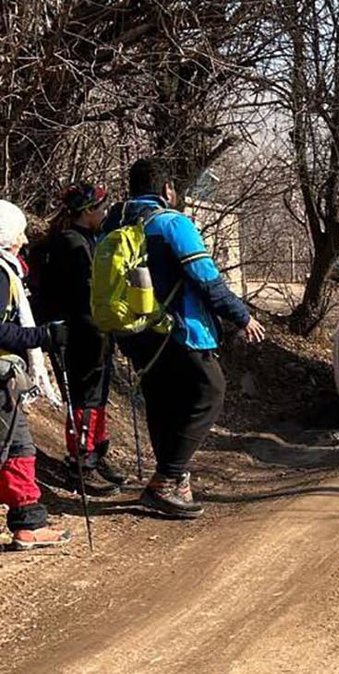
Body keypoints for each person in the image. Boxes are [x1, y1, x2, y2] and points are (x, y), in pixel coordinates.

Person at [106, 158, 266, 519]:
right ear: (167, 191)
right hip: (179, 329)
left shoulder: (112, 224)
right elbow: (206, 279)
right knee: (210, 390)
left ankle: (174, 483)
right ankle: (167, 478)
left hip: (133, 330)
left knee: (162, 400)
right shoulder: (172, 223)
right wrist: (242, 317)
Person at [42, 183, 124, 497]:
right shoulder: (71, 245)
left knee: (96, 396)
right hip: (79, 334)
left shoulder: (85, 239)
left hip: (93, 331)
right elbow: (82, 294)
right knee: (84, 399)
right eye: (101, 208)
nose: (104, 213)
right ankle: (81, 464)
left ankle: (96, 454)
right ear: (87, 211)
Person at [0, 199, 72, 550]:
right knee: (16, 449)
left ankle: (28, 523)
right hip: (1, 380)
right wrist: (41, 337)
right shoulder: (0, 274)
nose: (25, 239)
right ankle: (29, 523)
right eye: (19, 232)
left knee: (16, 449)